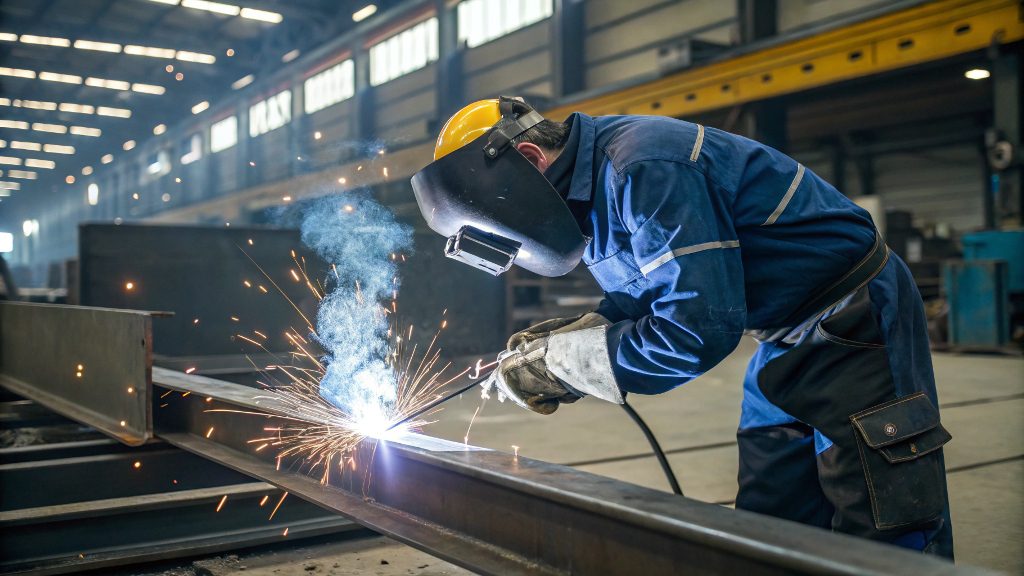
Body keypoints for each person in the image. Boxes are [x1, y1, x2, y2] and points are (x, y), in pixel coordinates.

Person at [410, 97, 954, 557]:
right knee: (772, 508)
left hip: (848, 313)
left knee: (880, 510)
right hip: (779, 330)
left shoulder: (643, 167)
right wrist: (573, 336)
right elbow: (646, 293)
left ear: (530, 159)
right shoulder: (589, 188)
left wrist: (568, 367)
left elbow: (695, 329)